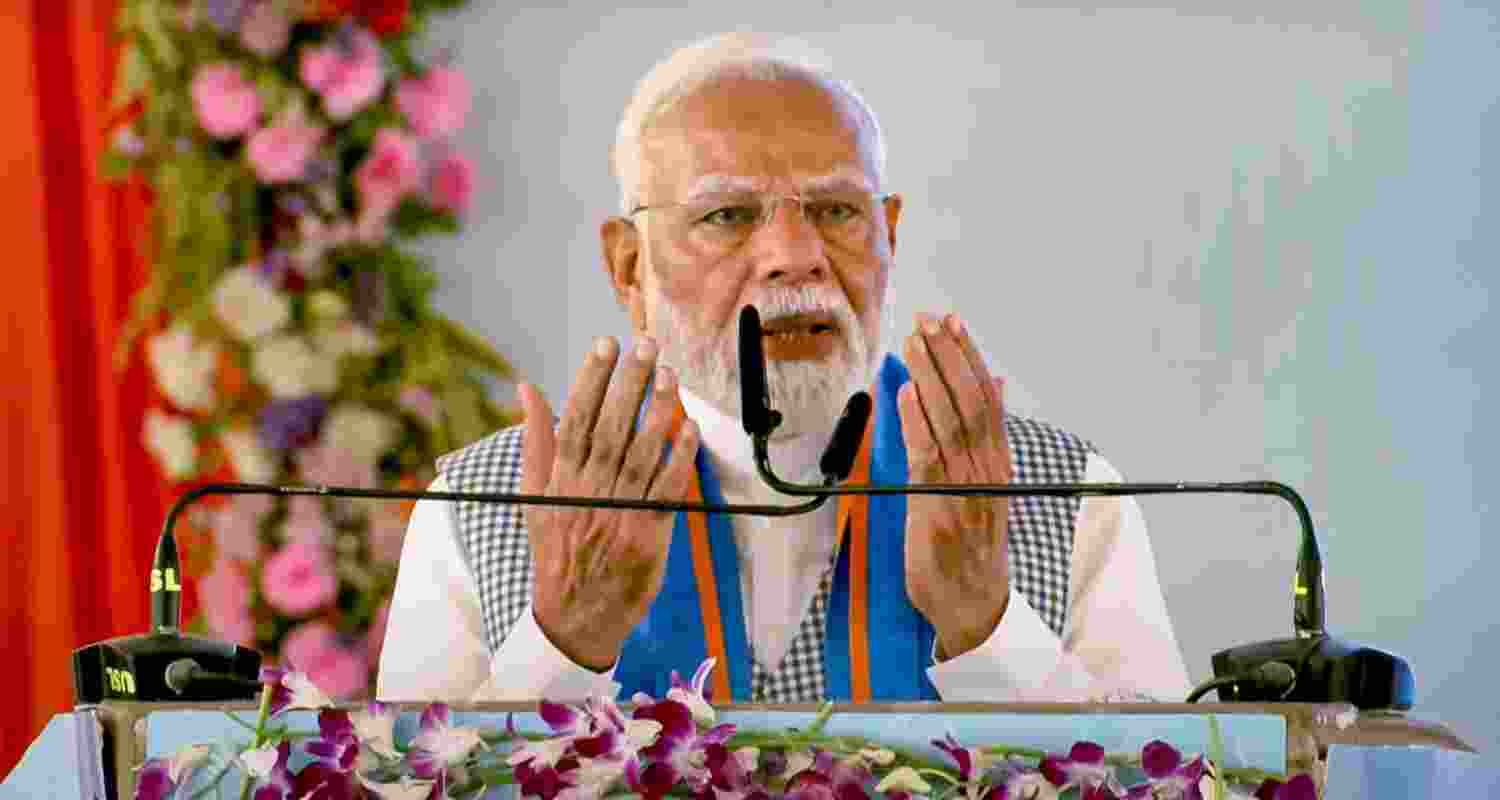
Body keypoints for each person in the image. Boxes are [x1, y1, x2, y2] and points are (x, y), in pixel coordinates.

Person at [377, 33, 1190, 704]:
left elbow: (1181, 781)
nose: (795, 258)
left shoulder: (1064, 492)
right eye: (727, 216)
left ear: (889, 237)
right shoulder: (479, 507)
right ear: (629, 269)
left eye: (838, 211)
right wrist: (565, 644)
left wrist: (986, 622)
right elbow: (392, 787)